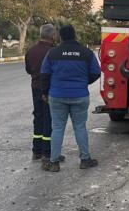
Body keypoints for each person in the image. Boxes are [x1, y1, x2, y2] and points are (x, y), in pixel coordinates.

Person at [40, 25, 100, 172]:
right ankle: (85, 160)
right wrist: (84, 82)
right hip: (79, 96)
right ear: (74, 36)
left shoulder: (52, 53)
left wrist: (44, 92)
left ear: (60, 37)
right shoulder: (86, 53)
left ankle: (54, 162)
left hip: (57, 96)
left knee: (57, 128)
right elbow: (96, 72)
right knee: (80, 127)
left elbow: (44, 74)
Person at [24, 24, 59, 162]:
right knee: (49, 119)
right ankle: (47, 152)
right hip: (51, 89)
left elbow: (28, 70)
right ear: (52, 36)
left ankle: (36, 150)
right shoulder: (54, 52)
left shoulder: (31, 51)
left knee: (38, 116)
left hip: (35, 87)